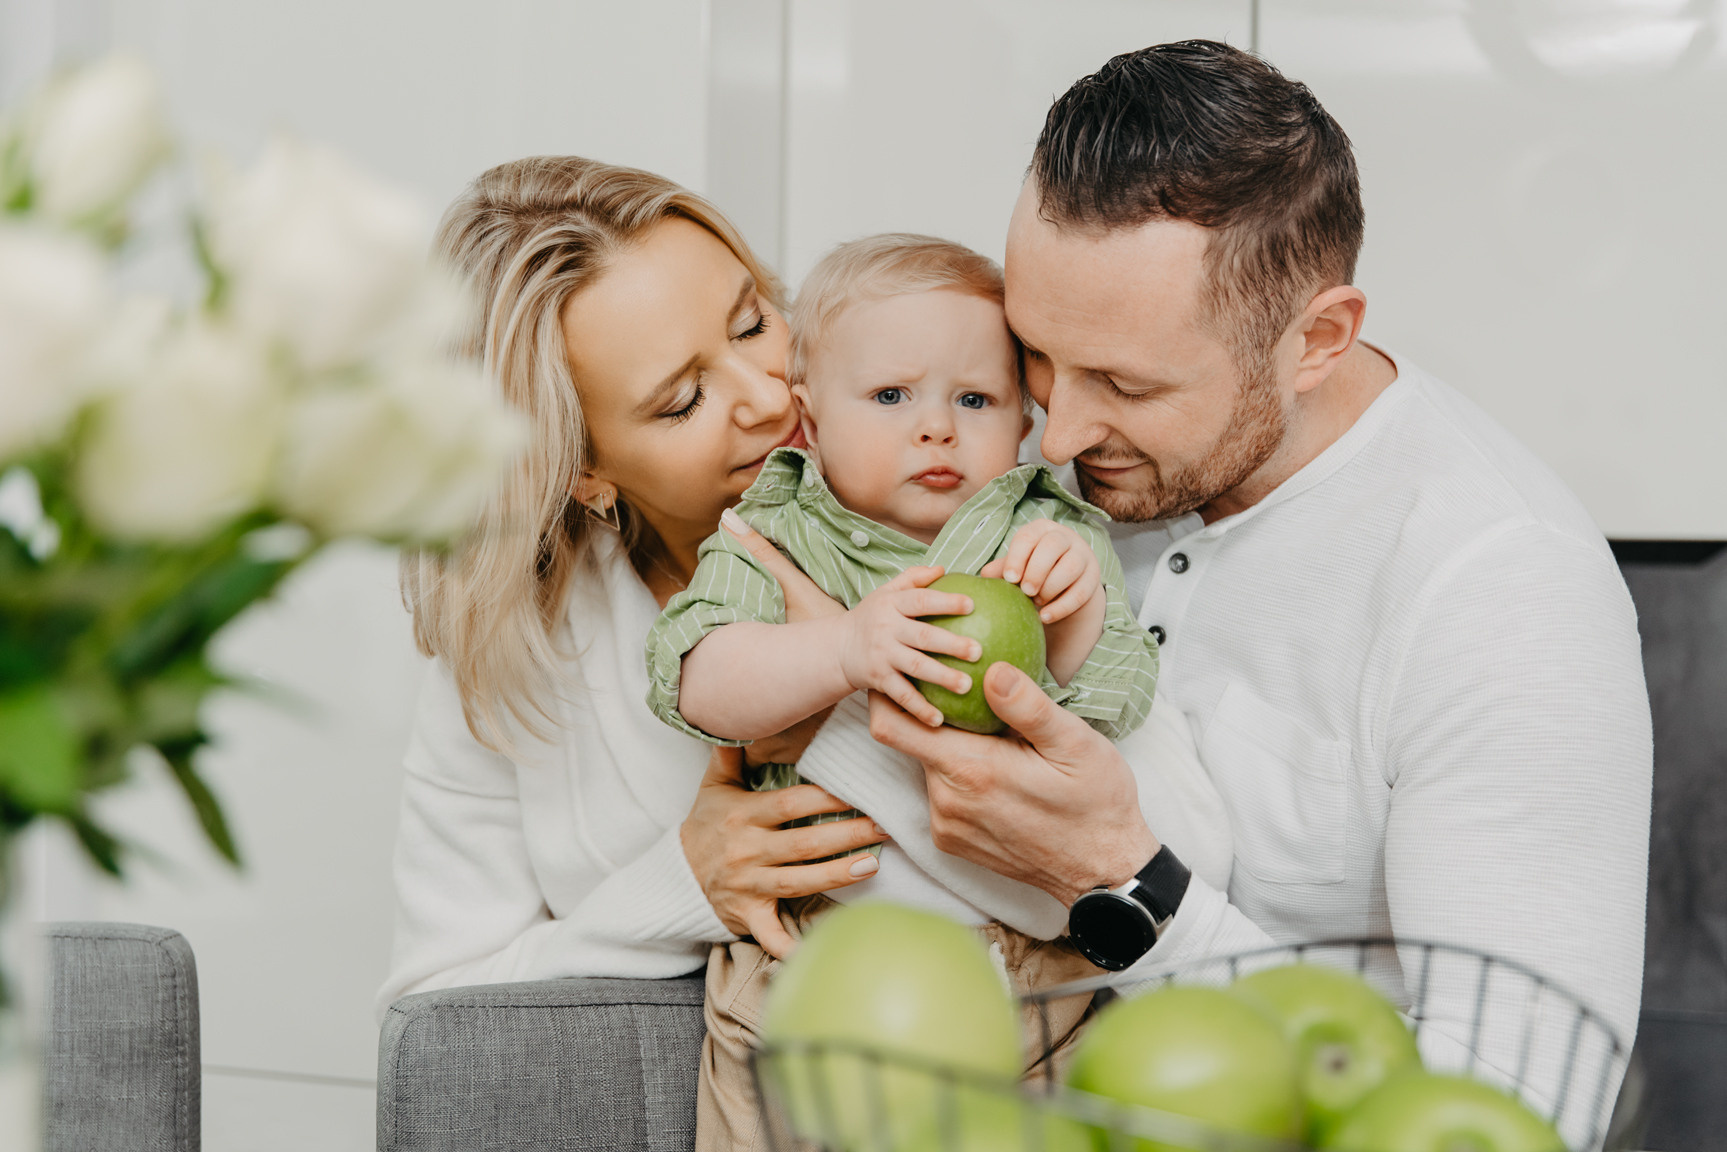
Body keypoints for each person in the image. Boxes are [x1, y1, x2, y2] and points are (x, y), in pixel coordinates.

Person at [794, 39, 1649, 1138]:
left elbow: (1519, 1113)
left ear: (1317, 340)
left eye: (1126, 384)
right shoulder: (1017, 465)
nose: (1057, 430)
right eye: (1038, 355)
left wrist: (1119, 880)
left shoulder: (1500, 595)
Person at [646, 233, 1233, 1150]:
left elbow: (1123, 701)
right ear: (806, 420)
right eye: (890, 397)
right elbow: (695, 679)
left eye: (974, 399)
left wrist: (1071, 620)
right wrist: (841, 648)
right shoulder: (774, 532)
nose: (936, 428)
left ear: (1023, 423)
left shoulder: (1043, 528)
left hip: (1035, 976)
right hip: (815, 957)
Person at [377, 158, 893, 1025]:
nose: (769, 398)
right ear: (579, 470)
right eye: (683, 401)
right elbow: (437, 1019)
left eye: (753, 321)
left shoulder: (959, 494)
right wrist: (682, 889)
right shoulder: (514, 661)